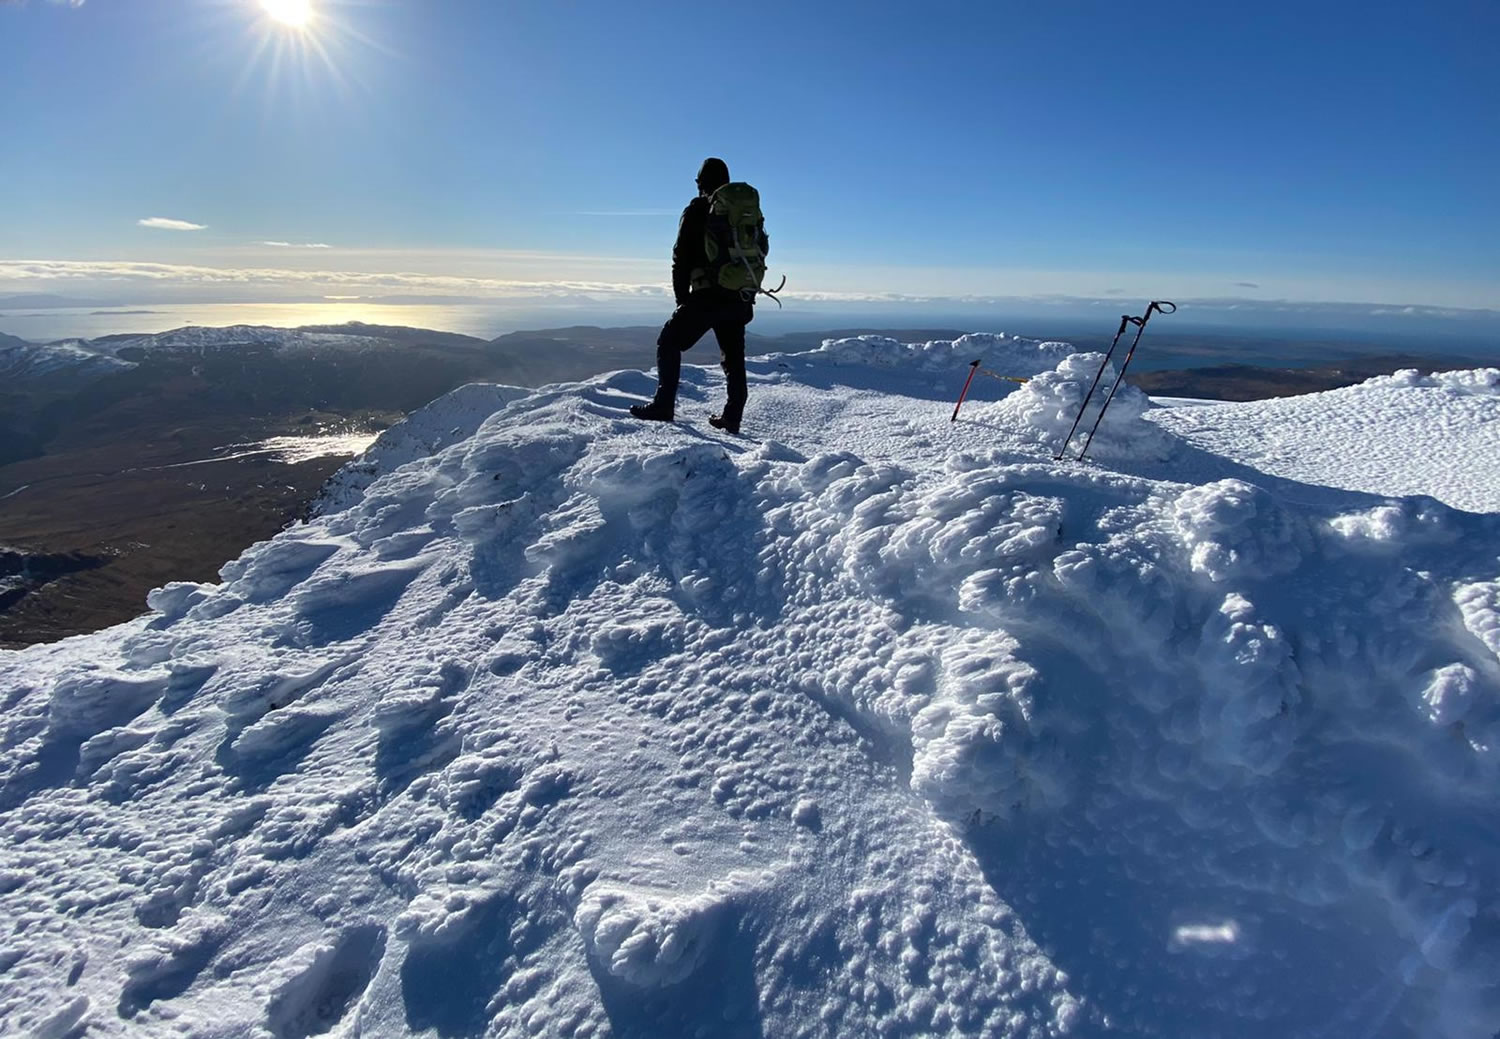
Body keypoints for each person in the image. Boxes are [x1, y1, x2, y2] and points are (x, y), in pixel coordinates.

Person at [630, 156, 764, 434]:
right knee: (733, 355)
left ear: (700, 183)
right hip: (739, 296)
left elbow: (681, 258)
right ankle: (732, 416)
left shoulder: (697, 209)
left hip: (707, 296)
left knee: (669, 341)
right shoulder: (744, 214)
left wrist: (682, 299)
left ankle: (663, 405)